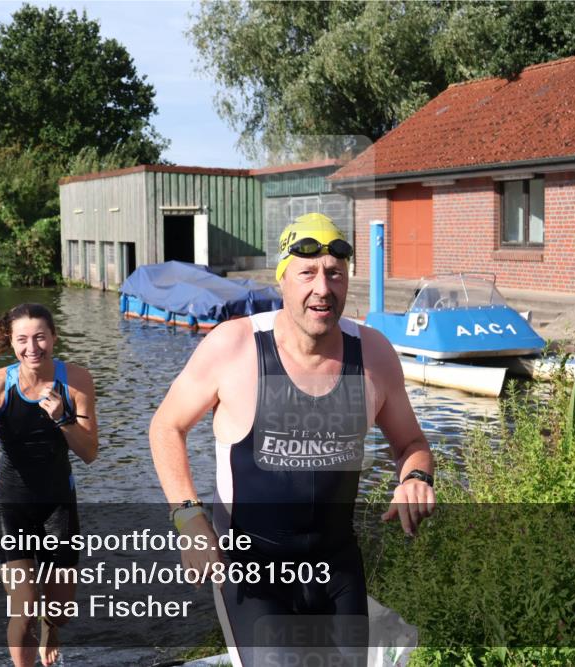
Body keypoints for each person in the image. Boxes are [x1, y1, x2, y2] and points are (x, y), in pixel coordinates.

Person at [150, 213, 436, 666]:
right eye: (307, 273)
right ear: (282, 280)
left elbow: (411, 443)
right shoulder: (235, 347)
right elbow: (166, 427)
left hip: (337, 567)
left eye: (335, 274)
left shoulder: (374, 354)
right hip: (249, 572)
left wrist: (416, 476)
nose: (322, 287)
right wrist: (189, 519)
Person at [0, 303, 98, 667]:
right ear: (11, 341)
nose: (32, 347)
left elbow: (89, 453)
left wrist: (63, 420)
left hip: (57, 504)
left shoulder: (77, 381)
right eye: (22, 339)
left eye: (40, 337)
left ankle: (51, 629)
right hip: (10, 504)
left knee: (61, 610)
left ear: (54, 337)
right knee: (24, 608)